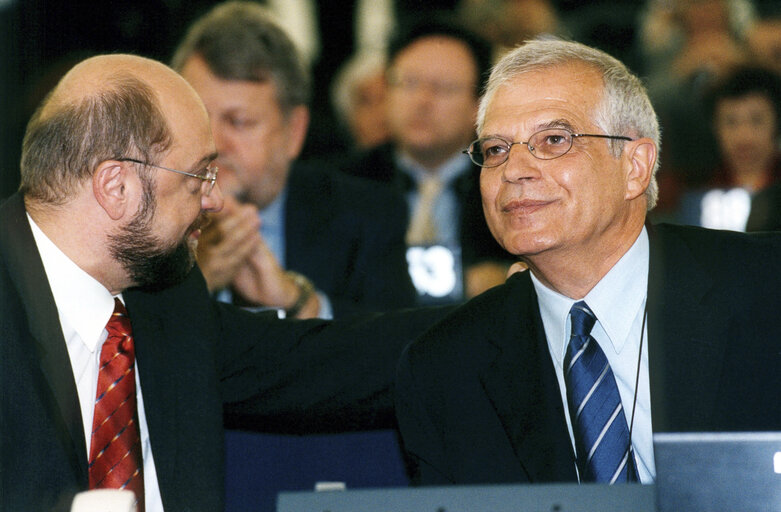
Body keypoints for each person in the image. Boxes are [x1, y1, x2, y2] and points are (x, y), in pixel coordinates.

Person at [0, 52, 448, 511]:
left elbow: (330, 360)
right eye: (199, 175)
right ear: (116, 187)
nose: (213, 199)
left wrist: (508, 313)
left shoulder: (166, 302)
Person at [394, 38, 781, 487]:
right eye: (496, 149)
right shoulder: (444, 369)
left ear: (635, 166)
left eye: (554, 140)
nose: (514, 169)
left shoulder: (766, 287)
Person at [170, 1, 415, 319]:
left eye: (239, 122)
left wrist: (300, 303)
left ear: (294, 131)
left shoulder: (366, 217)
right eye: (198, 118)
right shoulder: (142, 213)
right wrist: (190, 286)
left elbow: (400, 346)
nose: (213, 144)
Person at [339, 17, 513, 303]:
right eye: (409, 83)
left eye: (444, 88)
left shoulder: (508, 179)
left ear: (480, 104)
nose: (422, 101)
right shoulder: (343, 182)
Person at [673, 66, 781, 230]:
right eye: (731, 122)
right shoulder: (695, 189)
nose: (744, 136)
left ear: (777, 124)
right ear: (714, 127)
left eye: (756, 120)